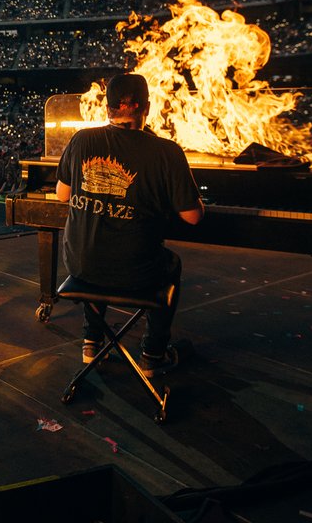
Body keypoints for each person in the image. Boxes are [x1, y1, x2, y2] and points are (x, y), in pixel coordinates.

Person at [54, 73, 204, 377]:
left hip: (79, 266)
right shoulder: (166, 151)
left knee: (95, 251)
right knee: (171, 263)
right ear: (146, 107)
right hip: (137, 273)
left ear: (107, 108)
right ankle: (152, 353)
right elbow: (192, 216)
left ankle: (91, 341)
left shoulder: (82, 139)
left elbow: (62, 195)